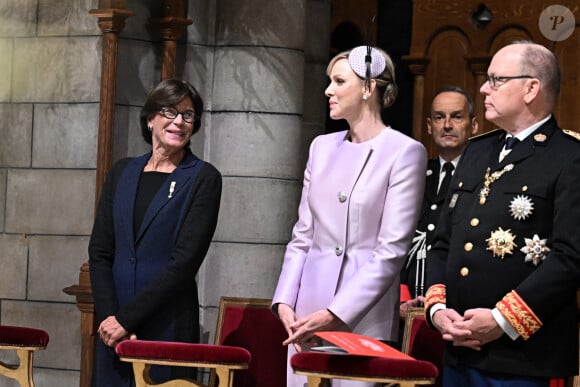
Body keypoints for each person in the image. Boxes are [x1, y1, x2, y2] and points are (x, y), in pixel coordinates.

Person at [424, 41, 580, 386]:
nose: (483, 88)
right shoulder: (477, 151)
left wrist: (501, 319)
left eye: (496, 80)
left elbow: (570, 258)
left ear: (531, 88)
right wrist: (438, 311)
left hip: (522, 356)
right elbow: (442, 242)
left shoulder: (568, 157)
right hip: (458, 348)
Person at [272, 45, 428, 387]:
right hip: (304, 318)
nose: (328, 90)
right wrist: (284, 300)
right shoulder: (321, 147)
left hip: (360, 318)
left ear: (369, 88)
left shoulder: (404, 152)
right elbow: (303, 235)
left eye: (339, 81)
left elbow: (391, 251)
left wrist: (335, 314)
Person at [89, 79, 222, 386]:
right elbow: (99, 253)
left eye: (188, 115)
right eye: (170, 111)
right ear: (150, 119)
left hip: (167, 324)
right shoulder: (122, 172)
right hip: (114, 328)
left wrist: (127, 319)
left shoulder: (203, 178)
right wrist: (111, 319)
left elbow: (184, 264)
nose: (179, 121)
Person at [399, 86, 479, 319]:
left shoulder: (483, 177)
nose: (446, 125)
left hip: (460, 308)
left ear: (473, 125)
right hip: (408, 306)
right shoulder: (413, 174)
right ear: (428, 125)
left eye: (456, 116)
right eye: (438, 117)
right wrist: (401, 298)